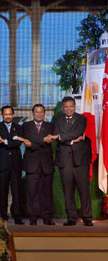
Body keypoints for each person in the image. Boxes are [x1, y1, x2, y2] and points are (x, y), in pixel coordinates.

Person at [52, 96, 93, 226]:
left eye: (71, 106)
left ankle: (87, 218)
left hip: (80, 160)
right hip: (65, 160)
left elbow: (78, 132)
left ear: (74, 107)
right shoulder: (57, 119)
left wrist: (63, 137)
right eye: (66, 107)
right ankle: (71, 218)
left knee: (84, 190)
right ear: (63, 108)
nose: (68, 109)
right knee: (68, 191)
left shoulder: (82, 119)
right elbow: (57, 135)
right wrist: (72, 140)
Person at [19, 104, 55, 225]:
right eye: (36, 112)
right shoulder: (26, 126)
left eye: (41, 112)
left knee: (47, 192)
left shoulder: (50, 126)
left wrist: (34, 142)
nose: (39, 114)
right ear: (32, 113)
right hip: (31, 164)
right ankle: (32, 218)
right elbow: (27, 141)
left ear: (44, 113)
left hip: (47, 164)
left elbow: (36, 141)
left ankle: (47, 217)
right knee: (31, 192)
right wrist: (42, 140)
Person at [0, 106, 24, 224]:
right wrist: (12, 140)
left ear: (13, 115)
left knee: (16, 191)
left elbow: (18, 143)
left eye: (10, 114)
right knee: (3, 190)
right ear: (2, 116)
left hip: (16, 163)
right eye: (5, 114)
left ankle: (17, 215)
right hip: (2, 163)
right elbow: (1, 140)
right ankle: (3, 215)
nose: (8, 116)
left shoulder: (19, 127)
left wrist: (6, 141)